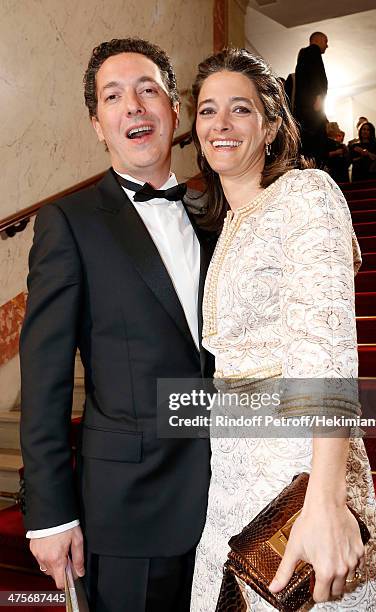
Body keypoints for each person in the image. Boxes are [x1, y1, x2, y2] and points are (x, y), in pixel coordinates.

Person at [19, 37, 216, 612]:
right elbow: (47, 380)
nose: (133, 105)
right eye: (113, 96)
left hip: (230, 491)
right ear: (99, 125)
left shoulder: (218, 213)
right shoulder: (69, 223)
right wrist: (49, 514)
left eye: (147, 89)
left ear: (174, 112)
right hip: (130, 510)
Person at [189, 48, 376, 611]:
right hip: (230, 475)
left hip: (301, 473)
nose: (221, 124)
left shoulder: (306, 194)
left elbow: (326, 349)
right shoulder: (228, 224)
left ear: (273, 124)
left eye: (241, 109)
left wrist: (325, 498)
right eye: (207, 111)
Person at [293, 32, 329, 163]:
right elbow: (316, 75)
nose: (327, 45)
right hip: (312, 106)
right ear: (318, 40)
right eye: (325, 41)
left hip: (307, 107)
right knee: (316, 144)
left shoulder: (304, 54)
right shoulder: (312, 51)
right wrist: (319, 96)